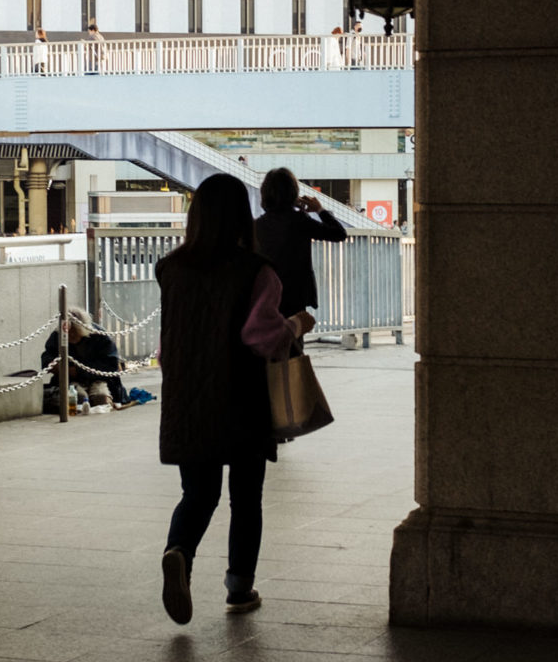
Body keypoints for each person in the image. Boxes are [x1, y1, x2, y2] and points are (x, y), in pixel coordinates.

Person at [156, 174, 314, 623]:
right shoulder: (256, 271)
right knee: (246, 498)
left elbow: (168, 345)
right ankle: (239, 589)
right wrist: (298, 324)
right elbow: (261, 337)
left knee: (198, 493)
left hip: (187, 397)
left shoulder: (171, 268)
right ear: (243, 216)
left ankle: (179, 552)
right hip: (242, 398)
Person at [253, 167, 346, 324]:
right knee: (294, 338)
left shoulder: (257, 226)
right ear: (293, 193)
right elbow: (339, 234)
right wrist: (320, 210)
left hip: (264, 292)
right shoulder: (300, 222)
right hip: (295, 293)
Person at [40, 307, 126, 408]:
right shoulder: (58, 335)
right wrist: (55, 366)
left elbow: (110, 366)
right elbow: (47, 357)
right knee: (78, 397)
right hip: (72, 381)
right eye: (69, 332)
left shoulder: (100, 336)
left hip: (99, 379)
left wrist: (78, 371)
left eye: (75, 332)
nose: (71, 335)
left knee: (101, 398)